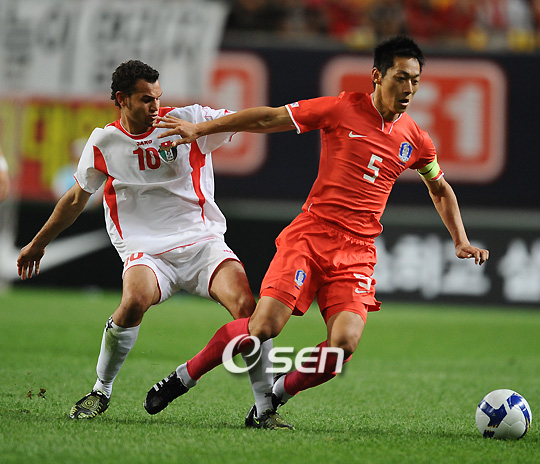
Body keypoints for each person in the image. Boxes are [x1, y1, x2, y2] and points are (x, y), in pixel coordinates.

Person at [143, 36, 489, 430]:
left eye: (415, 80)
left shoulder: (417, 140)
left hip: (357, 253)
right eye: (400, 78)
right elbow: (268, 118)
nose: (408, 89)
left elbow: (439, 188)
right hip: (311, 236)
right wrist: (200, 128)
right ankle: (184, 376)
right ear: (377, 76)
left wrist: (460, 240)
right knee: (263, 327)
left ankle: (275, 395)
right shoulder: (342, 108)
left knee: (342, 347)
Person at [16, 60, 277, 423]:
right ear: (121, 99)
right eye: (145, 99)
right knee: (133, 302)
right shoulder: (104, 142)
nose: (155, 106)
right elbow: (76, 199)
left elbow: (254, 120)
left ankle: (264, 408)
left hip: (202, 242)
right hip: (147, 250)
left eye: (158, 97)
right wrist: (38, 243)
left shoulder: (186, 120)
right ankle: (101, 390)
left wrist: (202, 128)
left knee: (248, 308)